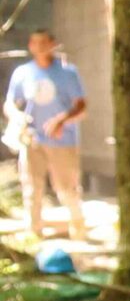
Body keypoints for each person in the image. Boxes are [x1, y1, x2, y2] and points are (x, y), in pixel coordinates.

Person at [5, 30, 87, 239]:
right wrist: (16, 116)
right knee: (32, 187)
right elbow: (10, 104)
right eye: (34, 42)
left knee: (66, 187)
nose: (39, 46)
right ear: (30, 46)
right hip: (32, 139)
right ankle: (34, 231)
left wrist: (62, 119)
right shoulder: (22, 73)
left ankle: (77, 226)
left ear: (53, 44)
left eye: (44, 42)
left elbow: (81, 105)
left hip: (63, 140)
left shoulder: (67, 73)